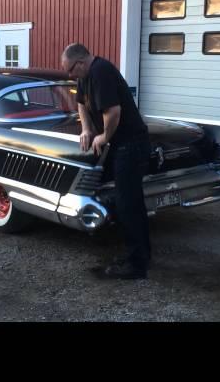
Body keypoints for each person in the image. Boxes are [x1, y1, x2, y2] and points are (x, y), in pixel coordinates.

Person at [61, 43, 152, 280]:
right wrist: (86, 129)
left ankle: (136, 266)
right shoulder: (85, 76)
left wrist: (104, 136)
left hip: (131, 144)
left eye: (71, 70)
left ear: (80, 62)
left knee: (128, 204)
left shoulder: (101, 72)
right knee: (129, 201)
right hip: (120, 145)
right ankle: (141, 255)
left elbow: (113, 112)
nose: (71, 76)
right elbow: (81, 102)